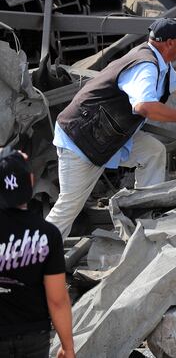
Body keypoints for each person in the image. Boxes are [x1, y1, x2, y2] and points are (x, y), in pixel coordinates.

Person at [47, 18, 176, 238]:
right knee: (68, 208)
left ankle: (144, 223)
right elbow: (145, 106)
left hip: (107, 135)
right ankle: (26, 261)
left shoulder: (156, 60)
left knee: (152, 151)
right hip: (82, 139)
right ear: (170, 43)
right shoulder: (146, 65)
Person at [0, 147, 74, 358]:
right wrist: (67, 346)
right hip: (33, 335)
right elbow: (58, 299)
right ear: (31, 182)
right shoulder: (47, 234)